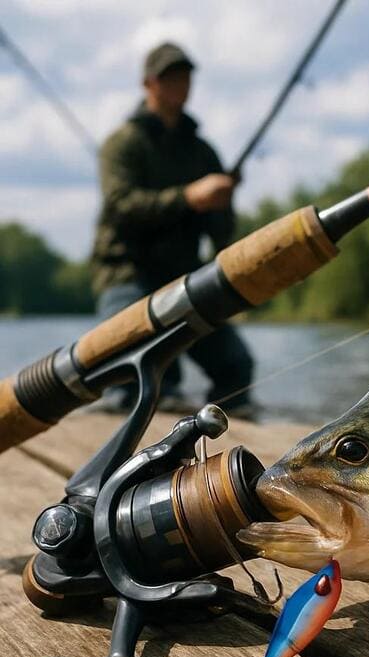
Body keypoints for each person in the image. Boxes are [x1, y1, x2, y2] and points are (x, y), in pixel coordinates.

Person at [90, 42, 257, 417]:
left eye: (185, 77)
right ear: (148, 83)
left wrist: (223, 200)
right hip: (127, 276)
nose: (181, 84)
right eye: (171, 77)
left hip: (183, 281)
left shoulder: (202, 152)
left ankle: (222, 423)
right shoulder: (121, 145)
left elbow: (220, 235)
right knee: (147, 367)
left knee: (237, 367)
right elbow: (121, 207)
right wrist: (190, 197)